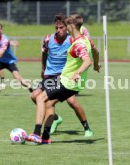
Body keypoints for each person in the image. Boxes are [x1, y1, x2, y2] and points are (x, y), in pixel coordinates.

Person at [25, 14, 94, 144]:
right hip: (57, 77)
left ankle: (36, 133)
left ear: (69, 27)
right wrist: (43, 69)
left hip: (65, 79)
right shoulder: (50, 39)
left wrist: (78, 72)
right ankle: (46, 135)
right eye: (56, 27)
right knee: (45, 101)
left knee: (49, 99)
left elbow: (87, 59)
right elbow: (93, 50)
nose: (59, 30)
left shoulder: (74, 41)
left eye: (63, 27)